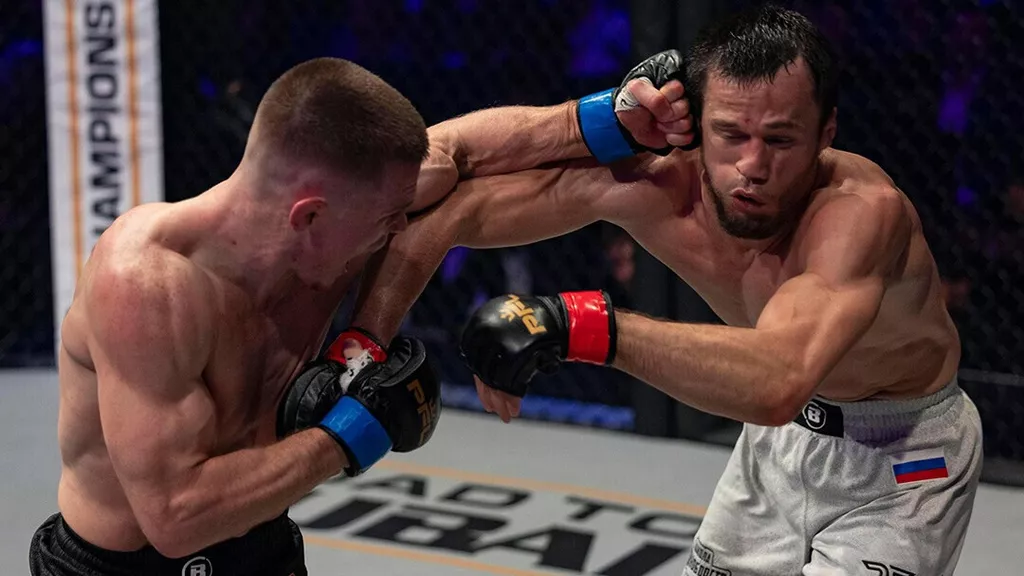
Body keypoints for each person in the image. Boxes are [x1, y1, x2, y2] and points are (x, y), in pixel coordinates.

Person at [349, 5, 983, 575]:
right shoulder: (657, 187)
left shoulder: (859, 214)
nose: (754, 166)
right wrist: (361, 345)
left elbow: (781, 378)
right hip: (782, 442)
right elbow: (447, 202)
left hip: (903, 457)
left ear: (826, 133)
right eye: (731, 134)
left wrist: (581, 326)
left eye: (781, 139)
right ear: (695, 125)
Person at [29, 57, 449, 576]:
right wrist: (353, 429)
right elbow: (175, 519)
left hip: (262, 547)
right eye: (388, 217)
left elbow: (467, 165)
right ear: (310, 215)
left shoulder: (333, 233)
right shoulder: (146, 285)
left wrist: (574, 127)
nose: (399, 227)